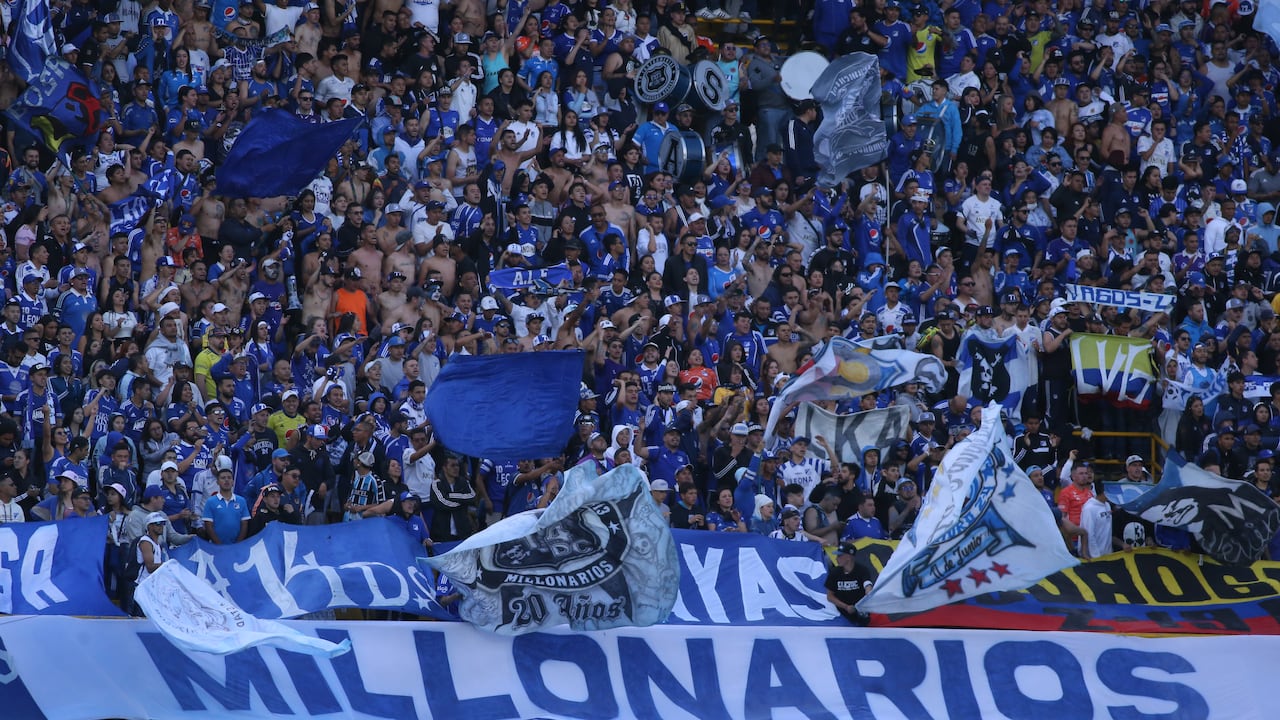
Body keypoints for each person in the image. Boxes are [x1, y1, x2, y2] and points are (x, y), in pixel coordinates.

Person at [825, 543, 873, 626]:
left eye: (839, 556)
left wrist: (868, 593)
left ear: (848, 557)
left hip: (859, 612)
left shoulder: (862, 570)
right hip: (840, 612)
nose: (836, 559)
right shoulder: (834, 572)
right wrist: (846, 607)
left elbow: (867, 585)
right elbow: (830, 596)